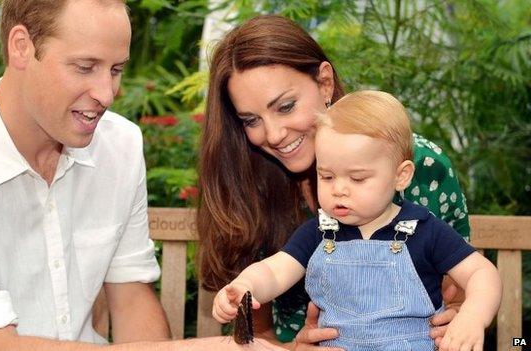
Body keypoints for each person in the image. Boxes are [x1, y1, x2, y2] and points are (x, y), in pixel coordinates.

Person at [0, 1, 285, 350]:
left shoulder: (119, 145)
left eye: (116, 69)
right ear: (21, 46)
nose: (107, 93)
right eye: (85, 67)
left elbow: (131, 295)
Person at [197, 14, 472, 349]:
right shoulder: (249, 181)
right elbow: (258, 330)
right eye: (251, 120)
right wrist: (293, 348)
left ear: (324, 83)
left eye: (285, 106)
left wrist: (461, 312)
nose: (273, 134)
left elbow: (463, 283)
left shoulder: (418, 164)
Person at [212, 90, 502, 351]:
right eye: (326, 176)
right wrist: (245, 286)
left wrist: (472, 317)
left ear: (401, 176)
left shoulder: (423, 230)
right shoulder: (320, 232)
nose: (339, 189)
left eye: (358, 178)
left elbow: (481, 273)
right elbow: (274, 272)